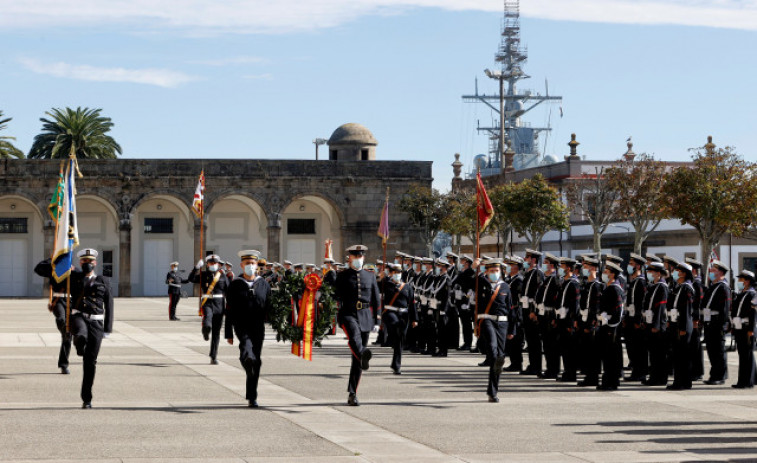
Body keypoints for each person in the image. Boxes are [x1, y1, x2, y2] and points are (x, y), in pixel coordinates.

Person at [35, 249, 114, 408]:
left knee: (90, 362)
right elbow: (40, 270)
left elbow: (110, 304)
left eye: (90, 261)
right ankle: (79, 345)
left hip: (97, 323)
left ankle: (87, 399)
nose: (88, 264)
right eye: (84, 261)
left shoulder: (103, 280)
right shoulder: (72, 277)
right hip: (78, 316)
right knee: (79, 334)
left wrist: (108, 328)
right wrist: (55, 259)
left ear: (95, 263)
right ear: (80, 262)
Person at [335, 245, 381, 406]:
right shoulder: (341, 276)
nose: (358, 259)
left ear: (363, 258)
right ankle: (363, 353)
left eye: (360, 257)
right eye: (355, 257)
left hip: (365, 317)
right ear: (349, 259)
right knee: (355, 340)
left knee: (357, 360)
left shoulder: (370, 276)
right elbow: (333, 294)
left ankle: (353, 393)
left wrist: (378, 320)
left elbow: (376, 299)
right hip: (348, 314)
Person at [225, 250, 271, 408]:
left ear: (257, 265)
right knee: (246, 350)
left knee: (256, 360)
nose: (250, 266)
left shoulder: (263, 283)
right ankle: (247, 364)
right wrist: (228, 333)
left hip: (258, 326)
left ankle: (252, 396)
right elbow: (229, 309)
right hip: (241, 324)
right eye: (247, 264)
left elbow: (268, 306)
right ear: (241, 265)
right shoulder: (235, 284)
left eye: (253, 263)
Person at [475, 258, 513, 402]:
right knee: (492, 348)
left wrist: (512, 330)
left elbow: (511, 309)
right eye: (491, 271)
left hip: (502, 324)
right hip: (487, 320)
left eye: (496, 271)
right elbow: (463, 281)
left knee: (499, 358)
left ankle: (493, 392)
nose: (494, 273)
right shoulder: (481, 283)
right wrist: (475, 268)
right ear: (487, 272)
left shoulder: (505, 287)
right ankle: (490, 355)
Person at [189, 254, 229, 365]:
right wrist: (196, 268)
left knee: (216, 332)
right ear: (207, 264)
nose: (213, 265)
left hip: (219, 304)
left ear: (218, 264)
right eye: (211, 263)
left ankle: (213, 356)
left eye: (215, 263)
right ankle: (205, 330)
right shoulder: (203, 275)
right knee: (208, 321)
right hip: (207, 303)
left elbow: (228, 290)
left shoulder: (222, 276)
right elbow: (190, 279)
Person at [33, 262, 72, 374]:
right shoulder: (53, 269)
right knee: (61, 320)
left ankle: (63, 365)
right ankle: (65, 331)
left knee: (67, 336)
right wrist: (52, 259)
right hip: (58, 300)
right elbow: (38, 269)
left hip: (71, 301)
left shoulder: (73, 269)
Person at [381, 263, 417, 374]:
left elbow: (412, 304)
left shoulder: (407, 287)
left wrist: (415, 319)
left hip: (404, 315)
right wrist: (382, 277)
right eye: (395, 272)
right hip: (391, 313)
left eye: (399, 272)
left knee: (400, 341)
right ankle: (391, 338)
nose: (397, 275)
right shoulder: (386, 285)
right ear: (391, 273)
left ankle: (396, 365)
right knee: (396, 328)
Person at [667, 262, 695, 390]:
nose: (675, 272)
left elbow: (686, 310)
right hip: (676, 324)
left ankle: (683, 382)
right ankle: (681, 381)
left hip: (682, 325)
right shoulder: (679, 287)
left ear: (684, 273)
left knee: (682, 356)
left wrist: (683, 328)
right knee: (678, 355)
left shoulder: (686, 288)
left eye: (678, 270)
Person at [597, 262, 624, 390]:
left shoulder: (615, 288)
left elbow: (618, 311)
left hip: (611, 327)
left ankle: (611, 382)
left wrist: (610, 324)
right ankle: (608, 380)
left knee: (611, 356)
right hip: (605, 325)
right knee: (606, 355)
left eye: (606, 271)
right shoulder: (608, 287)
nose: (604, 273)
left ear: (613, 274)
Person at [577, 257, 603, 387]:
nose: (583, 269)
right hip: (584, 321)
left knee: (592, 353)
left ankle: (592, 377)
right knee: (586, 352)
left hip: (591, 324)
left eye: (586, 266)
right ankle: (589, 376)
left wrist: (591, 325)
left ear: (593, 268)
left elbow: (596, 307)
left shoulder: (596, 286)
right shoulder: (588, 285)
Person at [642, 262, 669, 386]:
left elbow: (661, 308)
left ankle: (659, 378)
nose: (649, 274)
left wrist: (656, 325)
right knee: (653, 353)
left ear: (658, 273)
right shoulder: (654, 286)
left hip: (657, 325)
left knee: (659, 354)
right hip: (650, 322)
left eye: (651, 272)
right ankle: (654, 376)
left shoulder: (662, 287)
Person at [519, 250, 544, 376]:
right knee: (530, 339)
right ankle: (532, 364)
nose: (525, 259)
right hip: (525, 308)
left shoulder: (537, 273)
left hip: (531, 310)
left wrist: (534, 311)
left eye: (527, 257)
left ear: (533, 260)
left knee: (534, 340)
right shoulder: (528, 273)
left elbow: (537, 294)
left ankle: (536, 366)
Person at [624, 253, 648, 382]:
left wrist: (639, 320)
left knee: (639, 348)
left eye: (631, 264)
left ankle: (640, 372)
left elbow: (642, 303)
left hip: (636, 320)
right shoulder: (633, 281)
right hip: (630, 318)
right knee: (631, 347)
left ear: (638, 266)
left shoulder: (641, 282)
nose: (629, 266)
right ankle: (636, 371)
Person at [731, 270, 757, 389]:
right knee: (743, 354)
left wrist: (751, 329)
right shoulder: (742, 293)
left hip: (747, 327)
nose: (739, 281)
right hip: (739, 327)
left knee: (747, 354)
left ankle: (747, 381)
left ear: (747, 281)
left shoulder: (752, 294)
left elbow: (753, 313)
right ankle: (744, 379)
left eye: (741, 279)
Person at [536, 253, 561, 379]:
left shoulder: (556, 279)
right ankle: (549, 368)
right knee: (546, 344)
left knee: (552, 345)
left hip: (550, 315)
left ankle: (553, 370)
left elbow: (557, 300)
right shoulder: (546, 279)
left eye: (546, 263)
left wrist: (554, 318)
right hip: (543, 314)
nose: (544, 265)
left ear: (552, 265)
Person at [556, 257, 580, 383]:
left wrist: (572, 321)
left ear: (569, 268)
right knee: (564, 348)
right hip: (561, 319)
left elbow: (575, 304)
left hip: (568, 321)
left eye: (562, 266)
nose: (560, 268)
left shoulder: (573, 283)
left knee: (570, 349)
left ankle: (571, 373)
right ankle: (567, 372)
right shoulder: (564, 282)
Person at [685, 257, 705, 382]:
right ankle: (693, 369)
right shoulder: (692, 283)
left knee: (696, 346)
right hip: (692, 318)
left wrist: (696, 319)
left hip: (695, 320)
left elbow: (698, 303)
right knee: (692, 345)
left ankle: (697, 371)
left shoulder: (697, 284)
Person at [504, 255, 525, 373]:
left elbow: (517, 298)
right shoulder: (509, 279)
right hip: (508, 311)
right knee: (510, 340)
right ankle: (513, 362)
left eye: (511, 265)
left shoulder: (519, 280)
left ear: (516, 267)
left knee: (516, 339)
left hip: (516, 312)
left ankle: (517, 363)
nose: (508, 267)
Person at [430, 258, 451, 357]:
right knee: (439, 329)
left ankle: (444, 351)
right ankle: (440, 349)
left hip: (442, 308)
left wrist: (444, 309)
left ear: (444, 267)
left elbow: (447, 296)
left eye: (440, 266)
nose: (438, 268)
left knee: (443, 330)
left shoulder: (446, 279)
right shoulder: (439, 278)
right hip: (437, 306)